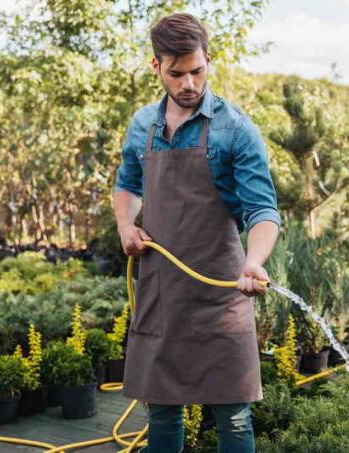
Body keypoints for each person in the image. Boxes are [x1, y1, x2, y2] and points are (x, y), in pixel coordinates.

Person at [113, 12, 280, 453]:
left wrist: (254, 261)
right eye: (176, 73)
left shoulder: (234, 128)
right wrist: (127, 224)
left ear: (209, 60)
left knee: (235, 417)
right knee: (163, 411)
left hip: (222, 293)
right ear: (157, 67)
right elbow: (128, 184)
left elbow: (263, 209)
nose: (188, 83)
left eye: (197, 71)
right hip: (160, 291)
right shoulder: (142, 125)